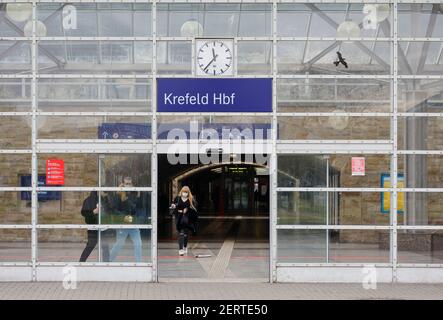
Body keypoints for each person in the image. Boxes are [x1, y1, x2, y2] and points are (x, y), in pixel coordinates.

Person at [109, 177, 143, 263]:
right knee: (119, 244)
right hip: (122, 224)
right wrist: (122, 216)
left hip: (133, 223)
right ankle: (109, 260)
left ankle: (138, 263)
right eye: (126, 184)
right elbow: (113, 208)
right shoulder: (118, 195)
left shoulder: (134, 194)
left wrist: (127, 199)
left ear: (132, 185)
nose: (127, 185)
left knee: (138, 243)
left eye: (129, 184)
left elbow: (135, 208)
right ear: (122, 184)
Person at [79, 191, 109, 262]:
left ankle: (106, 262)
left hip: (103, 227)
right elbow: (83, 213)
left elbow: (110, 209)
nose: (104, 193)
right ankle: (81, 261)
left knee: (105, 246)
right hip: (93, 227)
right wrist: (93, 212)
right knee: (90, 246)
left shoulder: (104, 199)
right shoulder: (88, 200)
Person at [170, 186, 198, 256]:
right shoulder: (177, 198)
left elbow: (194, 208)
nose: (184, 193)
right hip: (178, 217)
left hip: (187, 218)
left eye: (186, 192)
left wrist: (188, 209)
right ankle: (180, 249)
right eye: (183, 192)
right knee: (181, 233)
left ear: (188, 193)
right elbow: (173, 206)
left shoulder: (191, 199)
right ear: (181, 192)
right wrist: (174, 207)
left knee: (185, 234)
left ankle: (185, 246)